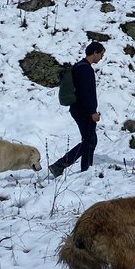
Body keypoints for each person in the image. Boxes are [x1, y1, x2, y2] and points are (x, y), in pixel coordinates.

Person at [49, 41, 105, 177]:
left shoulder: (80, 66)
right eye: (101, 54)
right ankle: (62, 165)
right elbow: (85, 93)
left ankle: (85, 168)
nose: (102, 57)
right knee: (89, 140)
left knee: (90, 140)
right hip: (83, 110)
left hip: (79, 109)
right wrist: (92, 112)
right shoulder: (85, 69)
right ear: (95, 53)